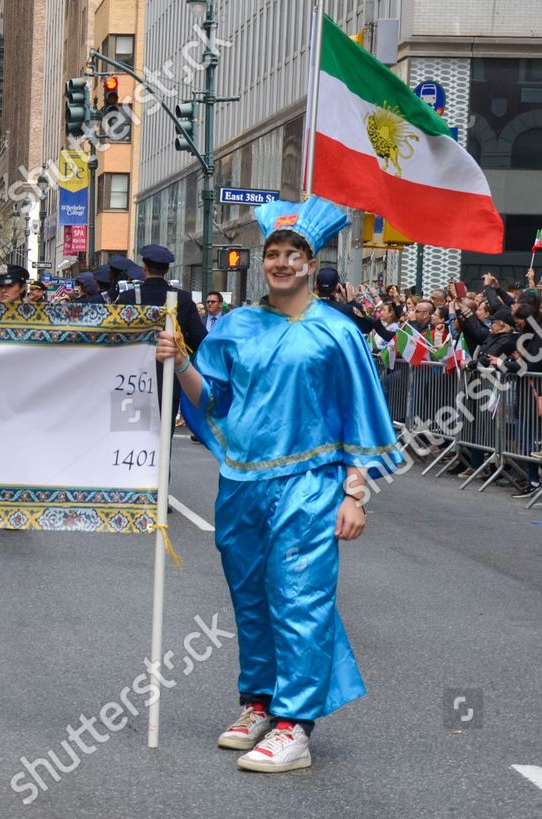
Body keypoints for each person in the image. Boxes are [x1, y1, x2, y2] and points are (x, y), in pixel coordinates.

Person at [159, 196, 401, 773]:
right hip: (241, 483)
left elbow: (361, 416)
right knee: (252, 599)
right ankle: (259, 704)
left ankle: (295, 725)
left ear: (310, 263)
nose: (282, 262)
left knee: (300, 597)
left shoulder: (337, 334)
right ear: (261, 261)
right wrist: (180, 361)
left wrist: (354, 493)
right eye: (274, 253)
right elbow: (212, 399)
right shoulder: (237, 326)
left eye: (294, 254)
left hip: (309, 485)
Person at [118, 244, 206, 427]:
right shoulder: (182, 298)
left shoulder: (127, 298)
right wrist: (180, 347)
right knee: (164, 440)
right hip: (169, 378)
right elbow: (201, 338)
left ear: (144, 268)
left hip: (131, 380)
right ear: (167, 270)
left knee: (129, 433)